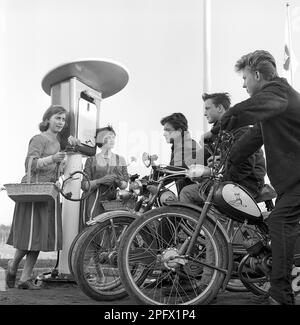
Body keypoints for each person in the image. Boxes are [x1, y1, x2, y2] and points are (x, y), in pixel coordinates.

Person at [220, 50, 300, 305]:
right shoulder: (271, 109)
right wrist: (226, 165)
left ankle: (280, 295)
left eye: (244, 78)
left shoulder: (279, 92)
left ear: (256, 75)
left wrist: (225, 120)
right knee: (276, 223)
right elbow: (251, 140)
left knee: (279, 220)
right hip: (290, 182)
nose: (243, 84)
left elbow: (250, 110)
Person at [6, 105, 67, 290]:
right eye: (58, 118)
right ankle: (12, 264)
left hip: (48, 193)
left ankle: (24, 279)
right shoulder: (38, 138)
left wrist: (60, 177)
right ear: (47, 119)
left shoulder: (58, 143)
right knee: (29, 235)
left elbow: (57, 169)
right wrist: (52, 159)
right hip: (33, 191)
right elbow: (29, 164)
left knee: (39, 237)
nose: (61, 122)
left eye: (63, 120)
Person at [180, 92, 266, 205]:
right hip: (237, 181)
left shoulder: (239, 129)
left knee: (187, 192)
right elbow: (209, 157)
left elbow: (245, 166)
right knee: (190, 181)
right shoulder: (221, 132)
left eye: (207, 108)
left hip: (247, 184)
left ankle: (203, 222)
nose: (204, 113)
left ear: (220, 108)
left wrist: (220, 178)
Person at [80, 125, 129, 225]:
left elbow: (125, 185)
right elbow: (84, 185)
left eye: (113, 137)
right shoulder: (91, 160)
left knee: (110, 231)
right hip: (93, 200)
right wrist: (100, 181)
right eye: (107, 137)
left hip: (112, 202)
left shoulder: (121, 159)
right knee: (92, 230)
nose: (111, 140)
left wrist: (117, 181)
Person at [160, 112, 203, 194]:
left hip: (195, 198)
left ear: (179, 131)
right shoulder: (180, 145)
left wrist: (153, 179)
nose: (164, 134)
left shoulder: (188, 145)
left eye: (168, 130)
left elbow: (174, 169)